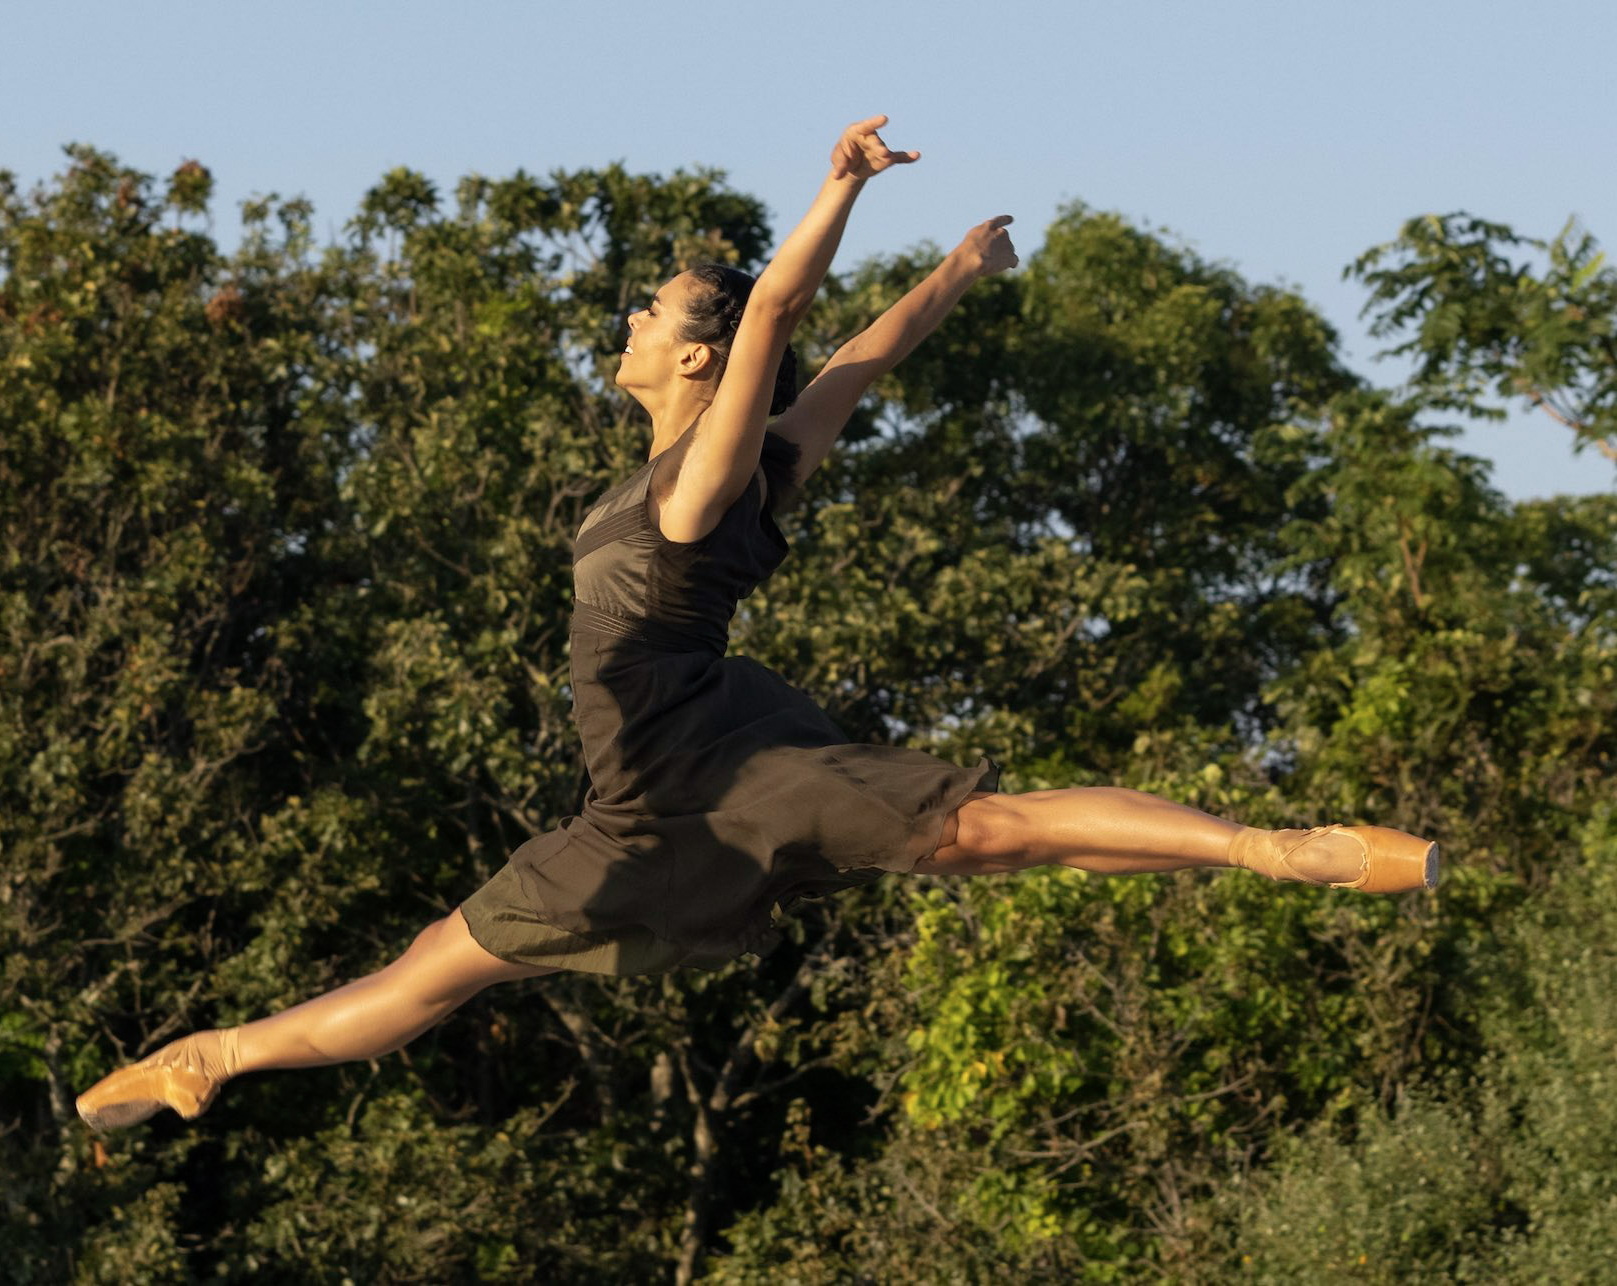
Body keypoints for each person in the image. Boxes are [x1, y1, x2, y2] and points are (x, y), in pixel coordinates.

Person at [76, 117, 1439, 1131]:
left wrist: (837, 187)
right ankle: (215, 1053)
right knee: (438, 964)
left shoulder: (707, 472)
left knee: (976, 828)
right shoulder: (751, 459)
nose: (628, 313)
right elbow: (861, 359)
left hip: (699, 770)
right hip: (652, 785)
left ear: (695, 355)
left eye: (652, 309)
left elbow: (789, 316)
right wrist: (959, 271)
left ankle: (1273, 846)